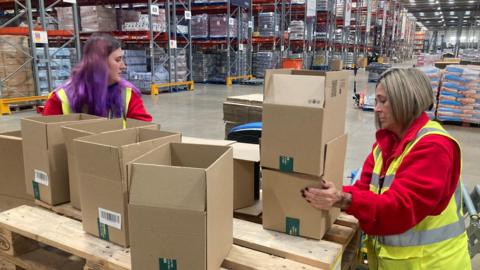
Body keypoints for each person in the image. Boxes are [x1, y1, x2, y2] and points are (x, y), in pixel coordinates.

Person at [302, 68, 471, 269]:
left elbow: (401, 208)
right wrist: (335, 193)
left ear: (406, 101)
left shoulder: (433, 146)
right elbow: (363, 190)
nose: (377, 109)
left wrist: (343, 200)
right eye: (376, 102)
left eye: (383, 101)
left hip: (430, 263)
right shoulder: (385, 145)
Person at [43, 33, 152, 122]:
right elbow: (46, 139)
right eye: (118, 60)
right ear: (99, 63)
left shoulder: (127, 94)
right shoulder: (60, 99)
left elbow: (145, 133)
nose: (123, 66)